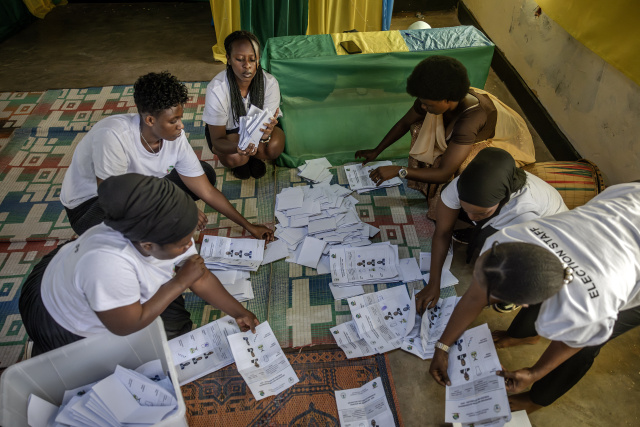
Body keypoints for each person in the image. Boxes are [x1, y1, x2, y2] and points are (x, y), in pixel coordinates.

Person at [427, 182, 640, 413]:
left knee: (587, 346)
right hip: (630, 198)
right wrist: (442, 346)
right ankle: (524, 335)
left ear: (523, 304)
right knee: (532, 278)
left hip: (619, 265)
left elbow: (575, 343)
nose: (479, 294)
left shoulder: (591, 307)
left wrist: (533, 373)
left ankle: (538, 399)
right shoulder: (508, 237)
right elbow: (473, 298)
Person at [20, 174, 260, 356]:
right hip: (58, 319)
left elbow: (199, 276)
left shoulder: (160, 227)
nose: (190, 247)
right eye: (182, 244)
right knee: (151, 356)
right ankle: (52, 355)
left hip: (71, 273)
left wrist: (239, 312)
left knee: (175, 323)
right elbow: (127, 325)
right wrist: (179, 282)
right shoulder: (108, 265)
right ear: (147, 245)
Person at [60, 71, 273, 241]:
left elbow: (206, 191)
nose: (181, 125)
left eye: (180, 118)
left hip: (139, 189)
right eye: (173, 121)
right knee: (125, 237)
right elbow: (112, 201)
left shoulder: (174, 137)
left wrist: (248, 226)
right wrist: (173, 207)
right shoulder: (112, 137)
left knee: (205, 175)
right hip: (91, 207)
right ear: (151, 120)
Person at [355, 55, 536, 219]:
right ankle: (425, 186)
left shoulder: (471, 118)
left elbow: (444, 173)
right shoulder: (432, 98)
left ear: (448, 99)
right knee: (419, 127)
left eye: (427, 104)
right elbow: (404, 123)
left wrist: (399, 171)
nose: (422, 107)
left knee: (463, 165)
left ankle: (453, 209)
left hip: (486, 144)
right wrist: (377, 150)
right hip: (458, 134)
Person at [416, 148, 567, 314]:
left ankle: (509, 296)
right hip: (501, 215)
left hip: (546, 239)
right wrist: (433, 283)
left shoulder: (523, 213)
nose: (472, 217)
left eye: (480, 213)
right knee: (456, 214)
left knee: (501, 267)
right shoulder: (460, 186)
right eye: (467, 210)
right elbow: (443, 232)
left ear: (503, 199)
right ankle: (481, 226)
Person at [203, 30, 285, 180]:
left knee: (273, 147)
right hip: (228, 133)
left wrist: (266, 136)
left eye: (253, 60)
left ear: (259, 60)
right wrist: (240, 148)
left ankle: (255, 158)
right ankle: (241, 163)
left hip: (258, 132)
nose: (247, 66)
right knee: (235, 158)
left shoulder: (270, 83)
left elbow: (265, 125)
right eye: (240, 59)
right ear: (228, 58)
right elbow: (217, 140)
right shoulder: (217, 89)